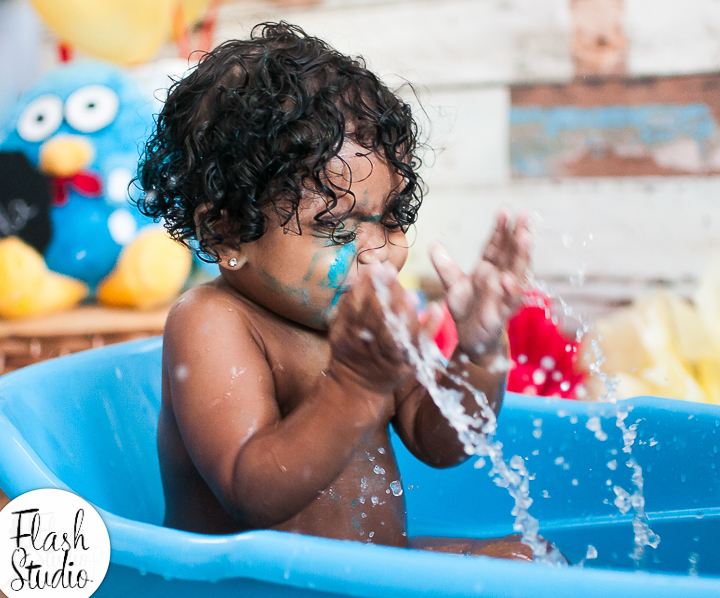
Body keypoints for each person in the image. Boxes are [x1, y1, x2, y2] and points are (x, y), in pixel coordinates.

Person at [137, 22, 537, 560]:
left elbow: (441, 440)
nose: (375, 252)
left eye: (390, 218)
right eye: (336, 227)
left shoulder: (374, 316)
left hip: (359, 575)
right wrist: (355, 384)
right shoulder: (213, 323)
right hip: (249, 587)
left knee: (520, 561)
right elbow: (249, 488)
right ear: (227, 233)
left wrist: (479, 354)